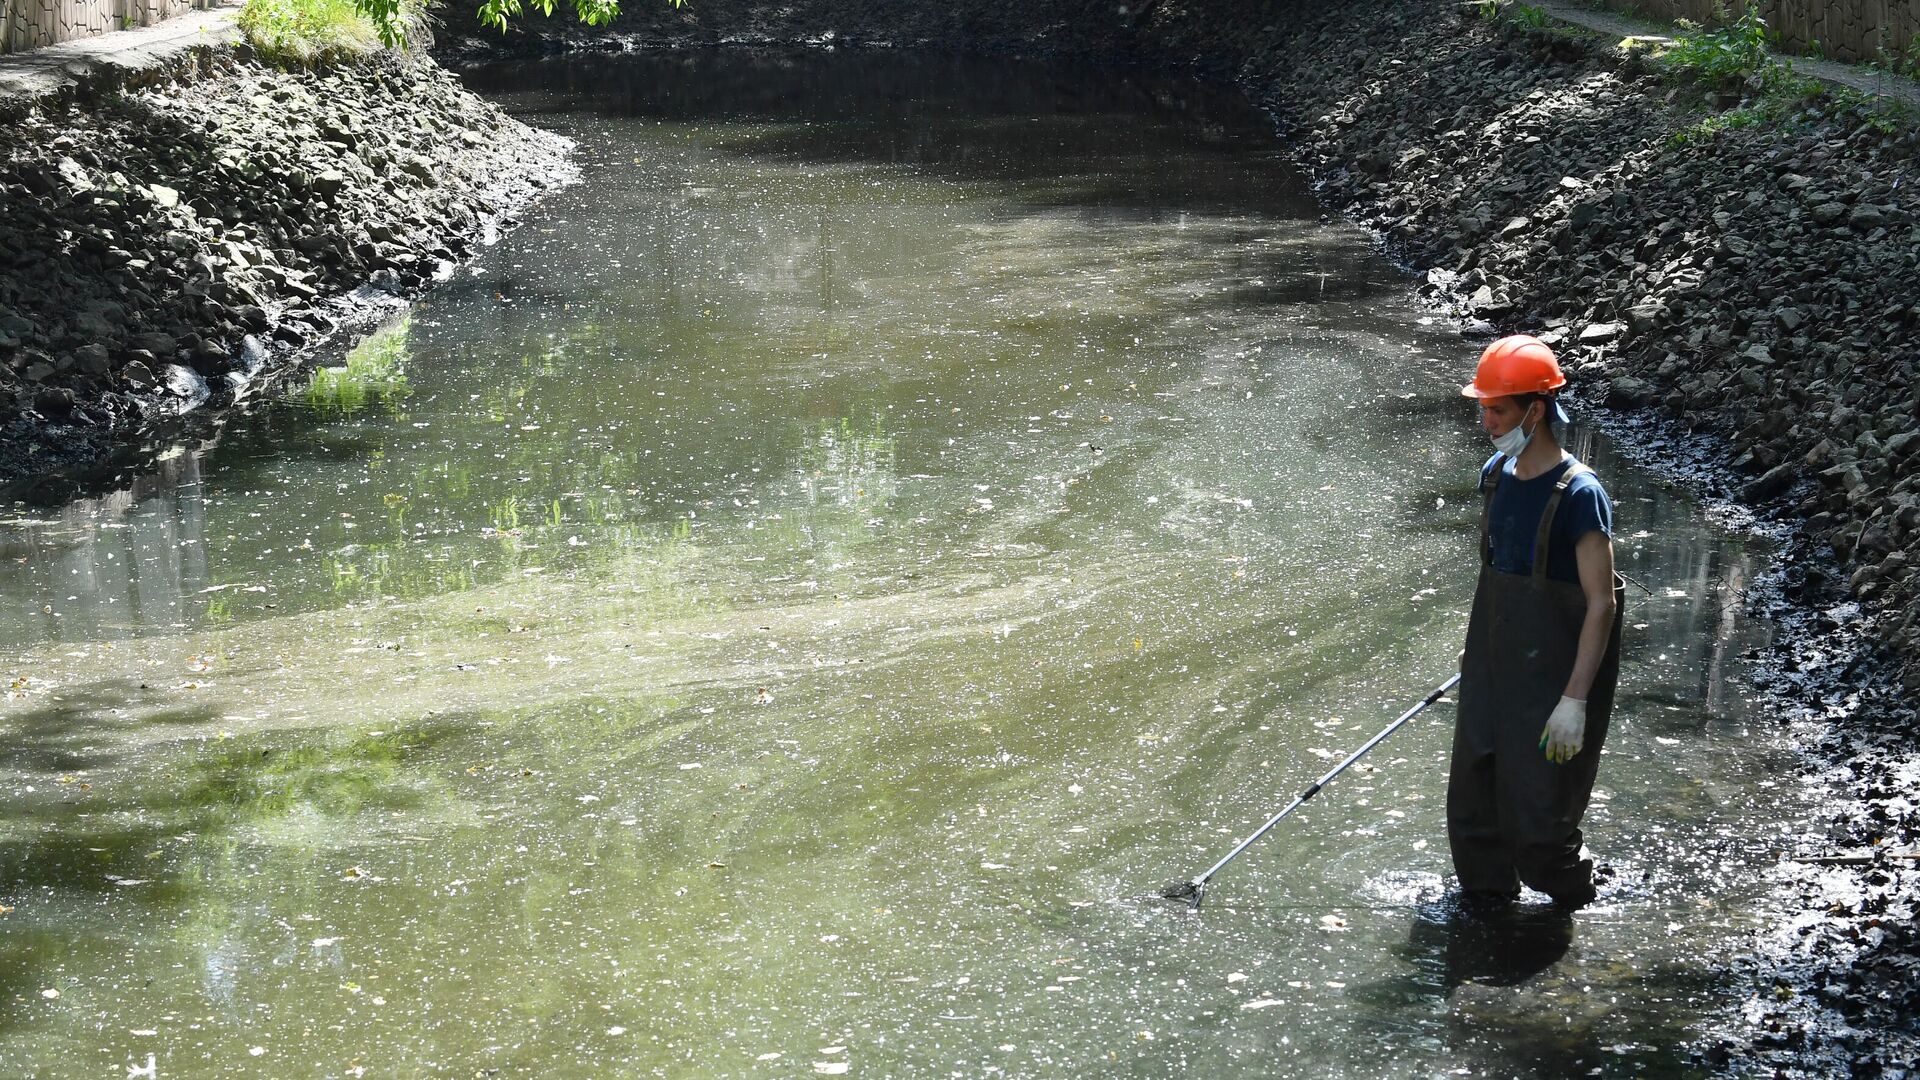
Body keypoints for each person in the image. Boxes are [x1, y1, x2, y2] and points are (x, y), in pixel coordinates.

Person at [1449, 335, 1625, 912]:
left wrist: (1574, 700)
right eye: (1483, 407)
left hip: (1556, 680)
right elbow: (1501, 576)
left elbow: (1600, 603)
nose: (1486, 420)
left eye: (1497, 409)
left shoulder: (1580, 494)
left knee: (1540, 827)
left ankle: (1579, 905)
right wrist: (1479, 662)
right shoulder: (1496, 476)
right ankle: (1489, 929)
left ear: (1536, 409)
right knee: (1474, 814)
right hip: (1493, 673)